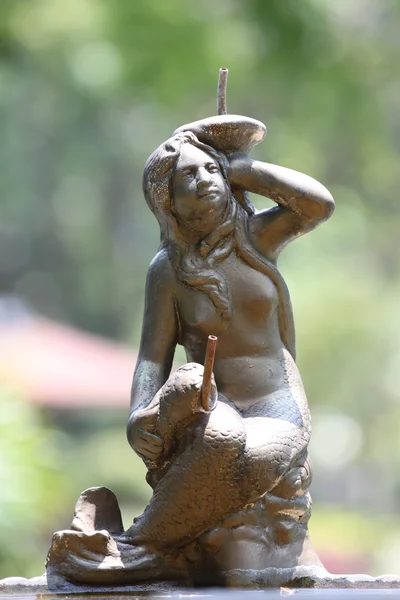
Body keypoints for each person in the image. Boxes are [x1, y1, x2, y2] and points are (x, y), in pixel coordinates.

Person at [46, 116, 334, 585]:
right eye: (187, 176)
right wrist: (141, 413)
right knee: (219, 436)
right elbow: (152, 357)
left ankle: (140, 547)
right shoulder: (168, 272)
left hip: (275, 403)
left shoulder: (257, 239)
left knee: (248, 453)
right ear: (168, 201)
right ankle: (146, 546)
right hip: (212, 403)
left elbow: (318, 205)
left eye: (209, 171)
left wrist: (242, 168)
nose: (203, 181)